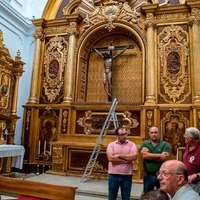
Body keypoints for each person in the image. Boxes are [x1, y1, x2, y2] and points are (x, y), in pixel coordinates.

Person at [107, 127, 138, 200]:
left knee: (126, 197)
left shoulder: (131, 144)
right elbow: (111, 158)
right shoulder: (111, 145)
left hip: (127, 176)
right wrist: (126, 160)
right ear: (117, 136)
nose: (124, 136)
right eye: (122, 134)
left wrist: (119, 155)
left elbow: (134, 156)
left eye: (125, 134)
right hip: (113, 175)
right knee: (112, 197)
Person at [140, 126, 171, 194]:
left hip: (161, 175)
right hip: (148, 175)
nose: (154, 134)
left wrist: (149, 155)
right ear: (149, 134)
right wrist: (160, 155)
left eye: (155, 132)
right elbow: (145, 156)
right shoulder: (145, 143)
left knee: (161, 195)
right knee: (147, 195)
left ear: (159, 133)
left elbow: (163, 158)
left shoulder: (165, 144)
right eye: (152, 132)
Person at [183, 127, 200, 195]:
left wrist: (196, 175)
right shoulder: (188, 145)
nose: (184, 136)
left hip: (197, 184)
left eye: (185, 135)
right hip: (187, 182)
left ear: (190, 139)